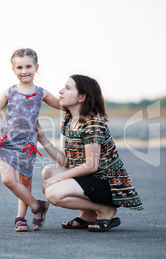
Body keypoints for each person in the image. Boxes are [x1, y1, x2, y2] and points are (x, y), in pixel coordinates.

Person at [0, 48, 61, 232]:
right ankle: (37, 206)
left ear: (36, 67)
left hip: (27, 144)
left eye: (28, 66)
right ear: (13, 69)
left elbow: (63, 106)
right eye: (19, 67)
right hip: (7, 143)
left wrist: (86, 105)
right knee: (8, 180)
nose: (24, 71)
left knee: (24, 182)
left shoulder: (41, 93)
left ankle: (21, 218)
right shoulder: (9, 92)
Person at [36, 74, 143, 232]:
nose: (60, 91)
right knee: (48, 172)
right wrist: (42, 139)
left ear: (82, 97)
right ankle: (87, 215)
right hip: (87, 178)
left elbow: (91, 166)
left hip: (105, 182)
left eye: (67, 88)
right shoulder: (68, 120)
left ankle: (105, 210)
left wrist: (58, 179)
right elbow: (65, 162)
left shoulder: (93, 123)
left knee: (53, 194)